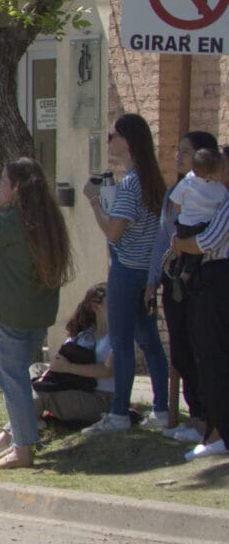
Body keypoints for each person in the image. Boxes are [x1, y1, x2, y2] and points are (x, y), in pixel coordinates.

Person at [0, 157, 73, 470]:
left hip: (5, 311)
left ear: (17, 188)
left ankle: (23, 448)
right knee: (20, 379)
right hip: (37, 313)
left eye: (3, 182)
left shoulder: (9, 221)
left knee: (12, 382)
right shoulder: (50, 220)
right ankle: (19, 438)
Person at [90, 113, 173, 435]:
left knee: (122, 343)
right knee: (150, 343)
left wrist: (95, 203)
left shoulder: (130, 184)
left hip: (126, 270)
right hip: (147, 271)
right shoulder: (153, 181)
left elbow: (114, 232)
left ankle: (119, 413)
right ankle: (162, 409)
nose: (108, 141)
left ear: (128, 140)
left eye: (112, 136)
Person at [167, 142, 229, 460]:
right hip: (209, 278)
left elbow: (206, 242)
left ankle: (219, 434)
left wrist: (182, 243)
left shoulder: (224, 201)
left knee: (212, 357)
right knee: (206, 356)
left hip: (216, 280)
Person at [159, 131, 219, 445]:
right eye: (178, 150)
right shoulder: (177, 190)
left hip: (201, 276)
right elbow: (164, 237)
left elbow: (204, 240)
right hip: (174, 273)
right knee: (181, 350)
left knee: (200, 350)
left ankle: (205, 419)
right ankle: (195, 414)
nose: (177, 157)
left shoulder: (216, 193)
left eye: (185, 152)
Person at [30, 285, 114, 429]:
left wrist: (67, 368)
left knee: (41, 391)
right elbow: (60, 360)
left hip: (101, 399)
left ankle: (14, 432)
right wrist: (48, 375)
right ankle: (30, 419)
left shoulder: (118, 336)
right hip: (77, 386)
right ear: (96, 307)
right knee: (36, 368)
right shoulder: (85, 333)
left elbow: (108, 371)